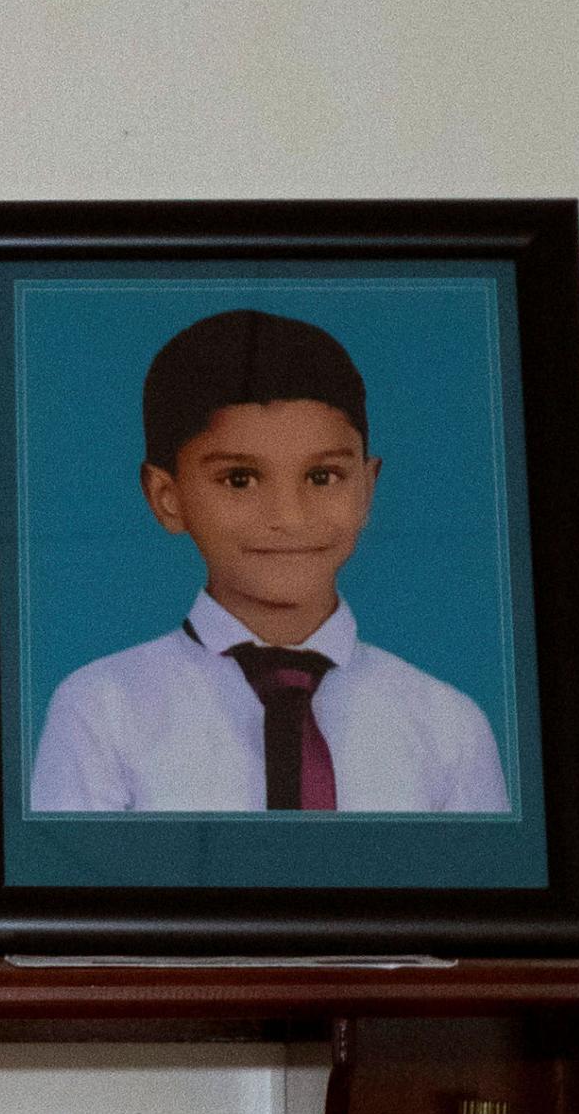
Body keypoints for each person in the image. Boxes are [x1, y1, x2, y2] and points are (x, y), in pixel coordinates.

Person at [29, 308, 509, 814]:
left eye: (323, 477)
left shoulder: (449, 727)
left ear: (367, 489)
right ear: (166, 496)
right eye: (239, 479)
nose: (289, 517)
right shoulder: (101, 711)